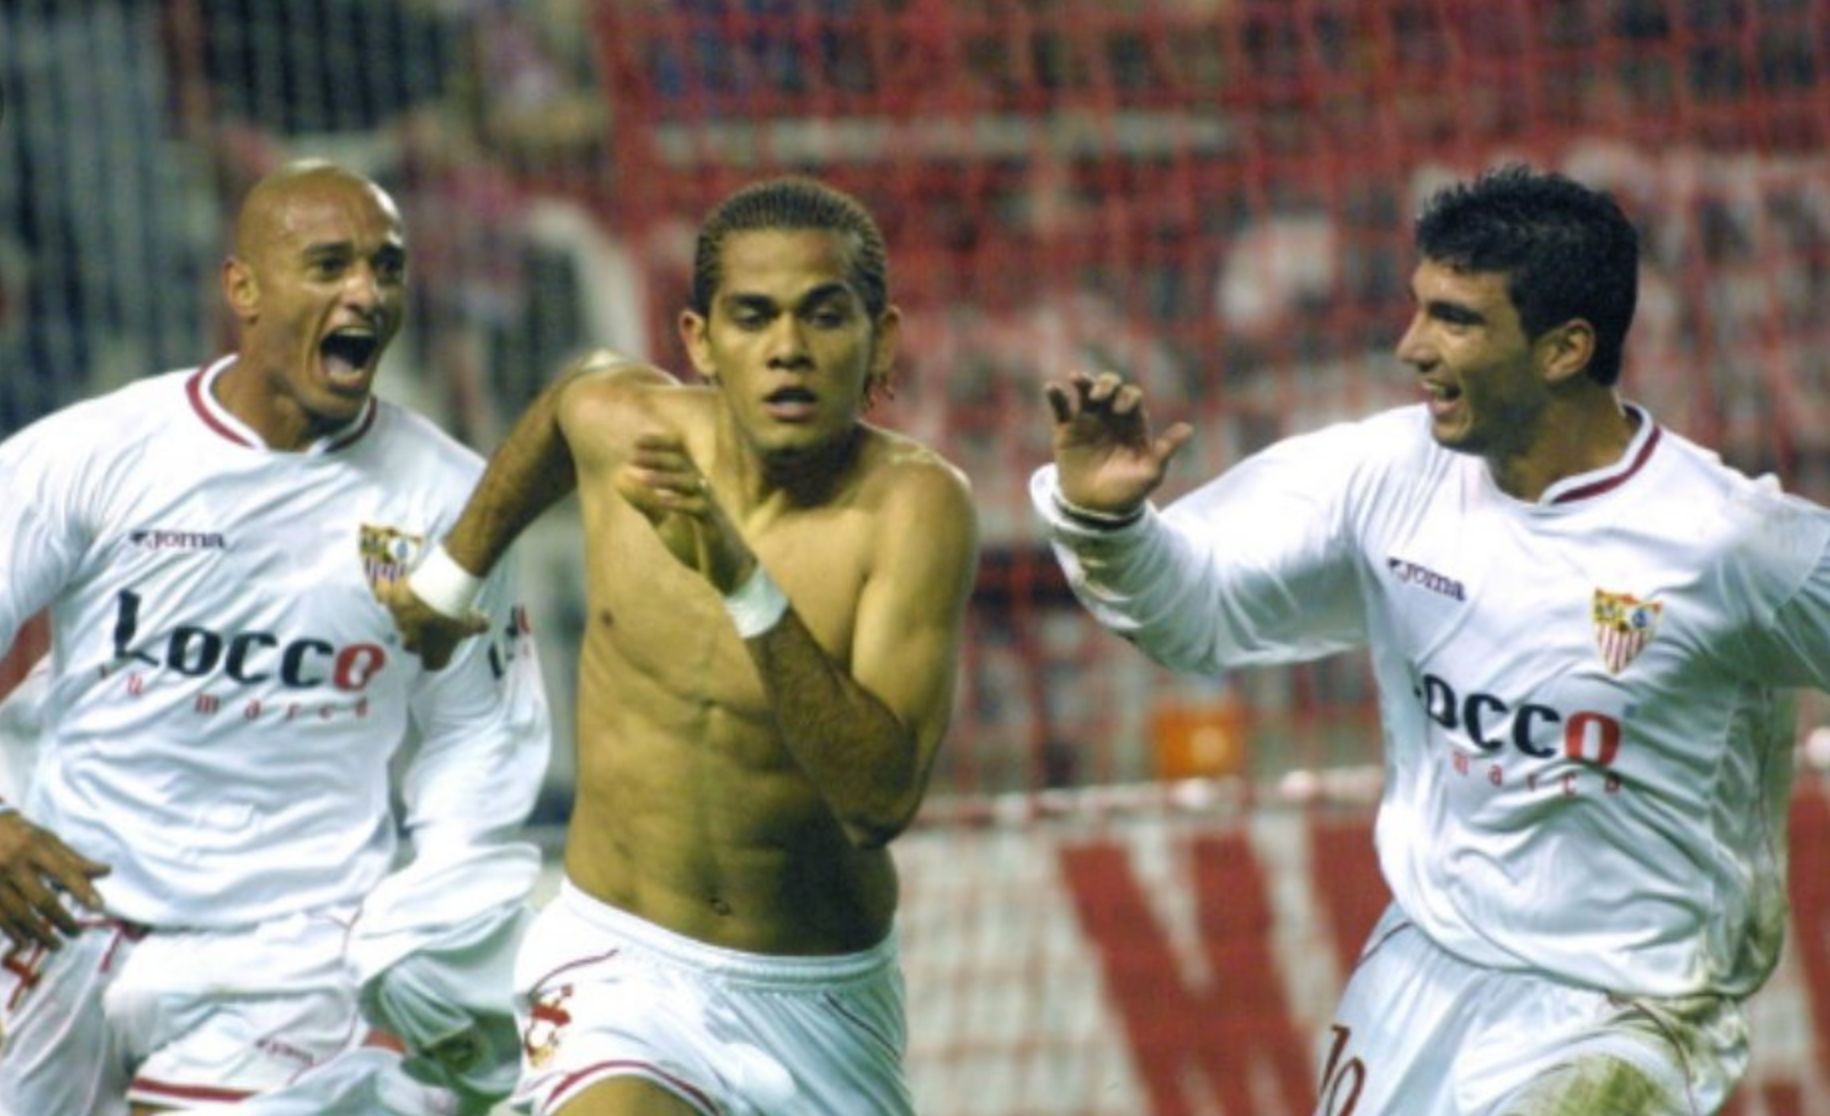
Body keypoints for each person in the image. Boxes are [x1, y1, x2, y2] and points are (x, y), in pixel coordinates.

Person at [1033, 164, 1830, 1115]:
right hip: (1420, 973)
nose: (1411, 347)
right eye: (1419, 309)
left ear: (1565, 348)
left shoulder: (1727, 542)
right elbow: (1197, 614)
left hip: (1624, 1010)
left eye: (1456, 319)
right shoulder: (1382, 475)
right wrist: (1109, 525)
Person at [381, 175, 978, 1115]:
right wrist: (451, 581)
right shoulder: (630, 429)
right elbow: (568, 404)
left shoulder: (914, 509)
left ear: (882, 340)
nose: (788, 351)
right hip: (620, 964)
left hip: (817, 1003)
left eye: (824, 317)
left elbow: (876, 801)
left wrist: (745, 584)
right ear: (701, 342)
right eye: (753, 318)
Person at [0, 160, 551, 1115]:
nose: (366, 294)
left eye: (387, 268)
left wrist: (437, 912)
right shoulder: (92, 455)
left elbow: (476, 729)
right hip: (61, 908)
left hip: (290, 946)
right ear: (242, 289)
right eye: (330, 265)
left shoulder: (450, 503)